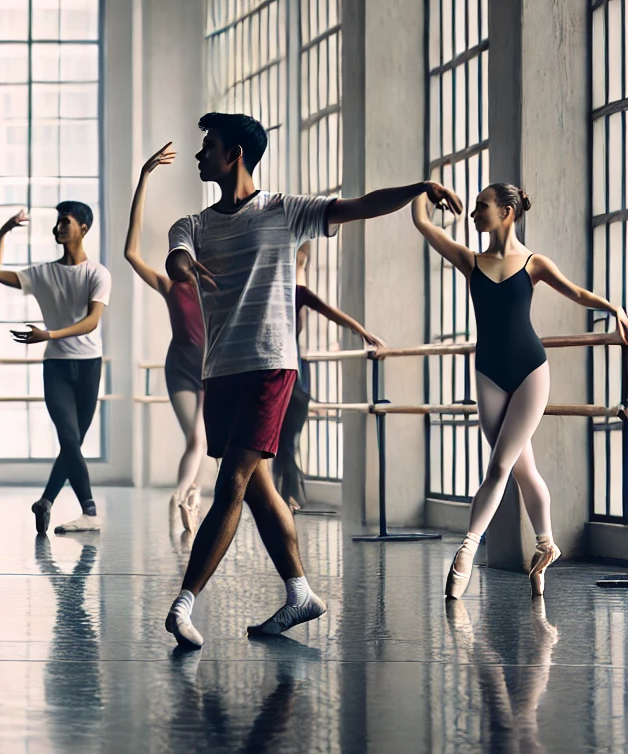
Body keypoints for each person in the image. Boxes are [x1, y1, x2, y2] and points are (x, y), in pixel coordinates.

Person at [162, 112, 465, 650]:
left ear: (233, 154)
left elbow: (363, 204)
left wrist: (419, 186)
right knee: (258, 491)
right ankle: (300, 593)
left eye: (207, 146)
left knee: (231, 481)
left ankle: (185, 602)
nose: (197, 154)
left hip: (270, 366)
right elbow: (178, 256)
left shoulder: (285, 212)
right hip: (220, 370)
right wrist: (185, 268)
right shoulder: (195, 224)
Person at [413, 182, 628, 600]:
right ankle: (546, 545)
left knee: (498, 466)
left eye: (483, 206)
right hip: (488, 375)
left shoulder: (534, 263)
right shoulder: (470, 260)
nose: (475, 213)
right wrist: (425, 191)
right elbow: (422, 223)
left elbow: (577, 293)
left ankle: (467, 549)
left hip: (530, 372)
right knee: (521, 468)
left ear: (507, 212)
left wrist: (615, 310)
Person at [0, 202, 111, 535]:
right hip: (56, 366)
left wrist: (49, 334)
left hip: (88, 365)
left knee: (73, 444)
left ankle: (45, 502)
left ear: (83, 228)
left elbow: (91, 322)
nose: (58, 227)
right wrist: (3, 234)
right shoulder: (43, 273)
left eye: (65, 222)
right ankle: (90, 512)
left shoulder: (98, 274)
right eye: (57, 222)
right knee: (70, 440)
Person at [124, 143, 208, 535]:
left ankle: (187, 496)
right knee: (196, 438)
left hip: (214, 367)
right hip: (181, 367)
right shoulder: (169, 286)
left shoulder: (217, 285)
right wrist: (144, 177)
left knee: (201, 441)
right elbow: (130, 252)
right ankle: (186, 497)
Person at [275, 242, 384, 512]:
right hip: (280, 373)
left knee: (286, 440)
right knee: (284, 441)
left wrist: (365, 334)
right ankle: (284, 496)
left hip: (291, 372)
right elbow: (330, 313)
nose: (301, 268)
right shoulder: (282, 293)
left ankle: (285, 495)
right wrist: (364, 333)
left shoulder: (294, 292)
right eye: (299, 264)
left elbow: (331, 312)